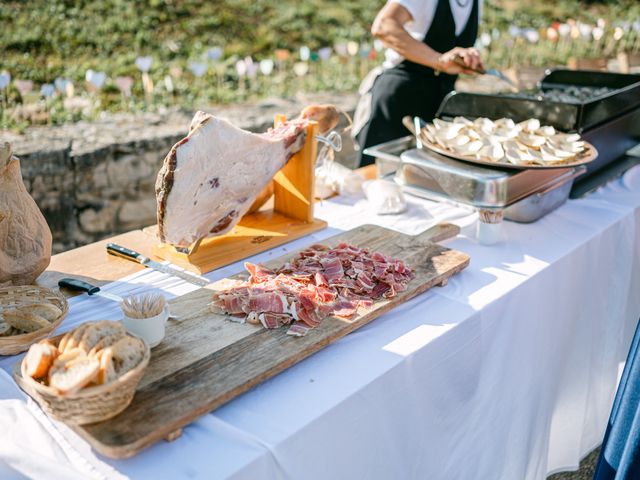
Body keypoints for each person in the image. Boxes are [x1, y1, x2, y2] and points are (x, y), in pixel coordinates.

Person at [353, 0, 484, 166]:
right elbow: (384, 26)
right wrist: (439, 60)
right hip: (398, 101)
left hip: (439, 103)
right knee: (376, 180)